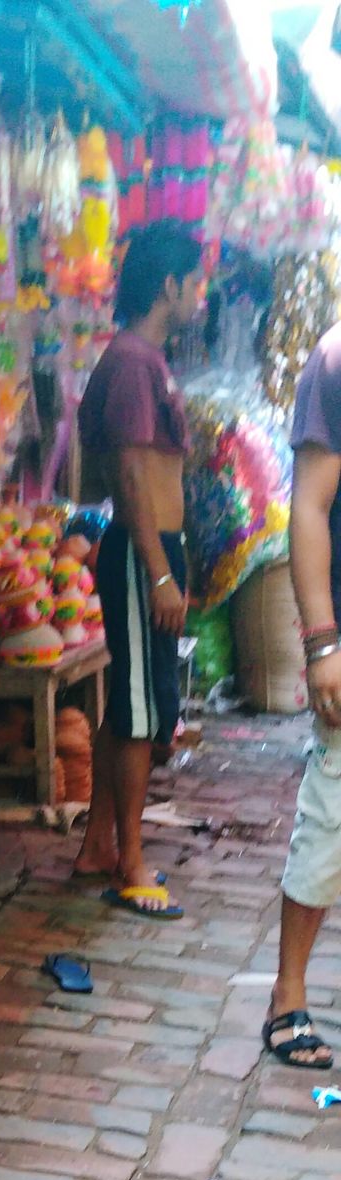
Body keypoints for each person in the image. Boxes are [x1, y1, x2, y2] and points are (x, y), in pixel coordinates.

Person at [74, 221, 204, 916]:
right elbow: (127, 471)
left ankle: (100, 843)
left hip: (151, 551)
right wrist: (157, 570)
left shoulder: (145, 359)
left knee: (135, 704)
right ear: (168, 286)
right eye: (195, 282)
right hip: (139, 551)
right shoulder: (131, 362)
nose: (201, 296)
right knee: (137, 714)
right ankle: (130, 860)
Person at [265, 322, 341, 1069]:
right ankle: (287, 995)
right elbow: (311, 507)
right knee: (331, 820)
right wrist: (322, 642)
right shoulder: (336, 358)